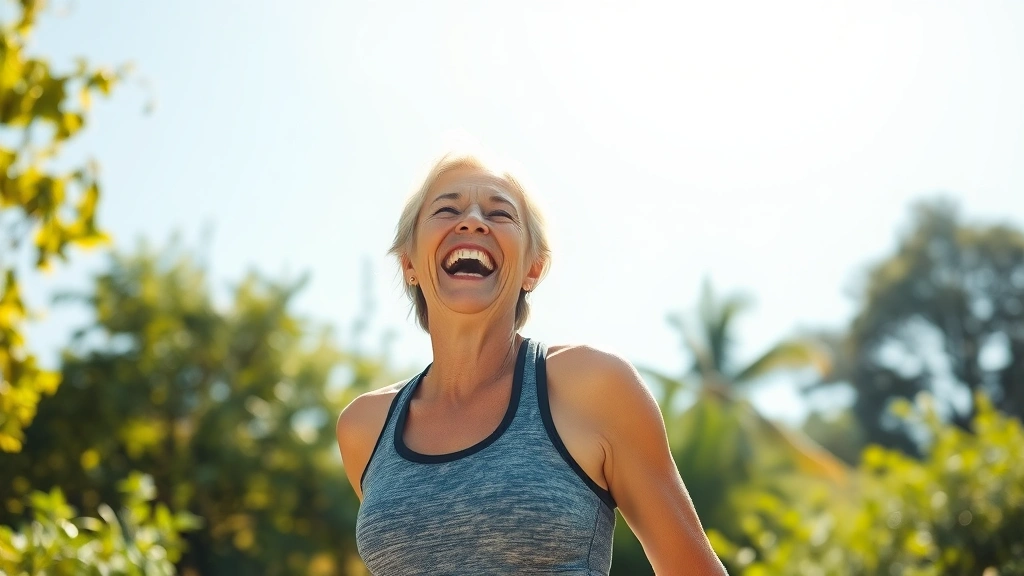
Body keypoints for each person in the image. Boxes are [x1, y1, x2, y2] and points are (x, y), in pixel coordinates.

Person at [336, 150, 728, 575]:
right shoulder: (365, 428)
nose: (471, 221)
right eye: (447, 208)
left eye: (499, 213)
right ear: (409, 262)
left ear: (533, 268)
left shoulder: (594, 386)